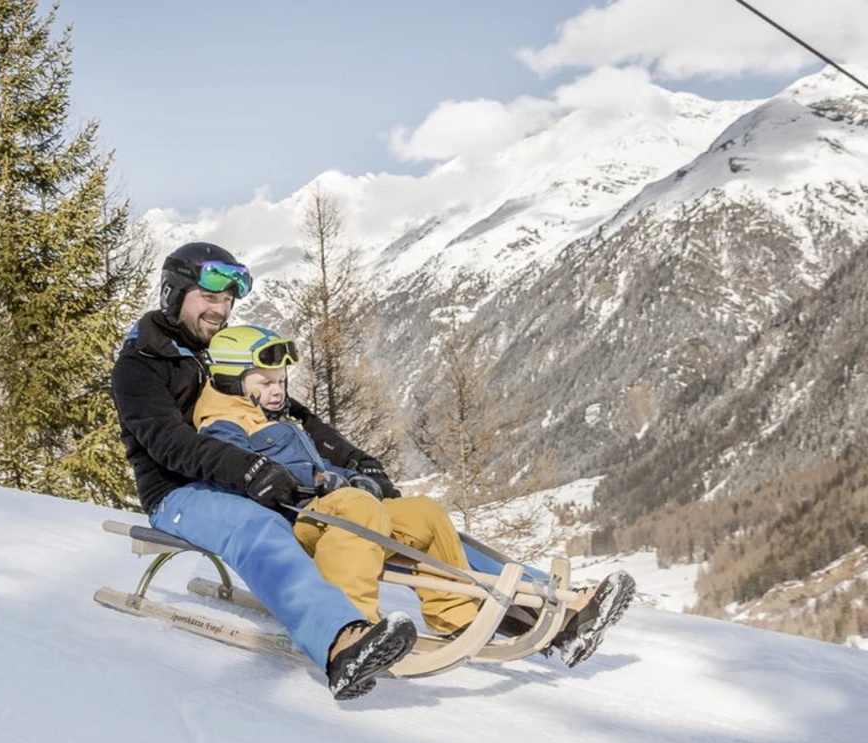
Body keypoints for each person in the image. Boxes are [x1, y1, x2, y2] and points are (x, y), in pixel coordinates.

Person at [197, 327, 635, 668]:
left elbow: (320, 465)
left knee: (423, 512)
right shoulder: (223, 423)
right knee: (358, 508)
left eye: (281, 380)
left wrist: (352, 476)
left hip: (335, 508)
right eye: (265, 381)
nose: (278, 390)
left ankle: (456, 614)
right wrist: (313, 482)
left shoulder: (275, 415)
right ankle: (351, 628)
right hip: (299, 520)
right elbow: (241, 472)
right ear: (232, 378)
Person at [110, 242, 414, 700]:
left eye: (226, 300)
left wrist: (354, 461)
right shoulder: (140, 364)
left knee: (387, 513)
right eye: (208, 298)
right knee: (258, 529)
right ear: (173, 294)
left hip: (242, 479)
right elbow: (168, 443)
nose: (219, 310)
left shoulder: (222, 353)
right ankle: (340, 642)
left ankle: (511, 602)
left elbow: (294, 414)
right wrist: (249, 469)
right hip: (179, 492)